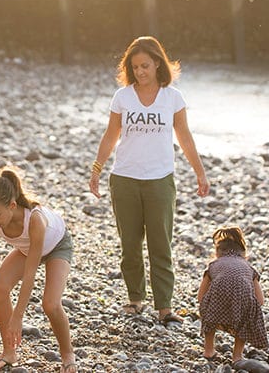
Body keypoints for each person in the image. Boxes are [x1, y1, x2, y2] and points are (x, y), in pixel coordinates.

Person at [88, 36, 209, 325]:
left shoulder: (173, 97)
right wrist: (96, 169)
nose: (140, 71)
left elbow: (184, 136)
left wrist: (199, 172)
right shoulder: (123, 97)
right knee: (129, 244)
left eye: (145, 65)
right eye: (135, 67)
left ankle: (164, 307)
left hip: (159, 181)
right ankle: (135, 298)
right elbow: (110, 136)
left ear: (157, 63)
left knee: (160, 245)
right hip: (125, 179)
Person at [0, 169, 77, 373]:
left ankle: (67, 354)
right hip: (27, 249)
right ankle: (9, 352)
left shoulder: (35, 220)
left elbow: (30, 273)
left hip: (57, 246)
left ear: (12, 205)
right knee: (0, 287)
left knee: (50, 304)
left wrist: (18, 317)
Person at [197, 226, 268, 362]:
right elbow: (260, 300)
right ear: (243, 254)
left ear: (217, 252)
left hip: (216, 300)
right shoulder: (249, 268)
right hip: (243, 300)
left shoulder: (213, 266)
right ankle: (237, 356)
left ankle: (208, 350)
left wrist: (210, 307)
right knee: (245, 319)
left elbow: (201, 296)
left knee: (209, 316)